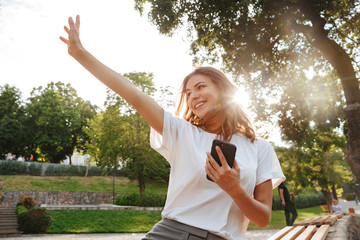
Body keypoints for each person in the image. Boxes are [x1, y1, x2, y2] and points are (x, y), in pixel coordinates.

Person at [60, 15, 285, 240]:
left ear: (222, 90)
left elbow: (263, 218)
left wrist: (234, 188)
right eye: (188, 93)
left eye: (200, 87)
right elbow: (135, 96)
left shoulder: (260, 148)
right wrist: (81, 55)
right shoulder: (181, 132)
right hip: (169, 234)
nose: (193, 96)